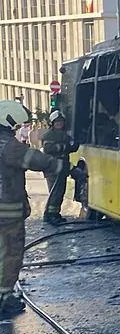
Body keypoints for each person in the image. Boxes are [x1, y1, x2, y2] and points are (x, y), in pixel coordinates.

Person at [0, 101, 76, 317]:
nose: (17, 129)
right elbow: (38, 160)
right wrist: (67, 168)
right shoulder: (8, 146)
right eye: (16, 126)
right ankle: (4, 298)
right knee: (10, 253)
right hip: (7, 212)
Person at [41, 110, 79, 225]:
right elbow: (48, 149)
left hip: (62, 167)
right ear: (52, 123)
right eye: (57, 122)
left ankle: (54, 213)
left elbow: (71, 147)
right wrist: (64, 146)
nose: (59, 124)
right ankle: (50, 215)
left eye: (61, 122)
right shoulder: (48, 135)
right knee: (55, 192)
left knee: (60, 192)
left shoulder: (64, 135)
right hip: (52, 168)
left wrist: (75, 145)